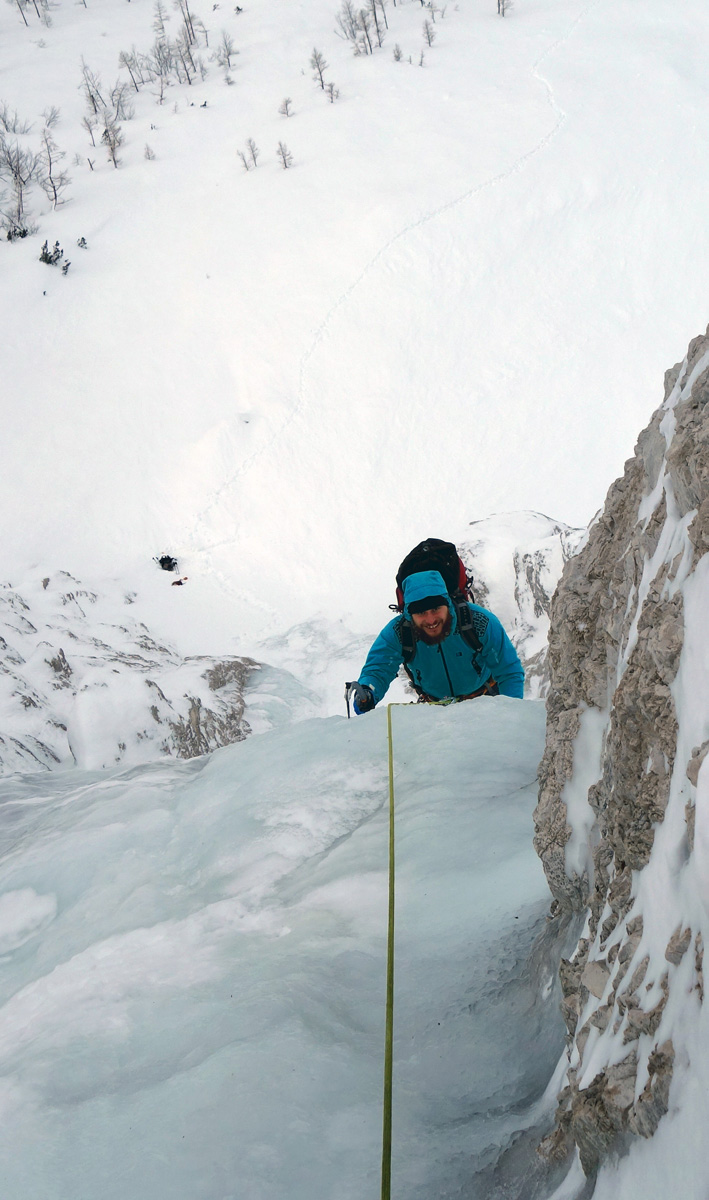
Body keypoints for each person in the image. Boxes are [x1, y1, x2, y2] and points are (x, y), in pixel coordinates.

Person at [348, 568, 524, 713]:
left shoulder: (478, 621)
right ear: (409, 614)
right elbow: (379, 669)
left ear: (447, 603)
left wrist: (510, 716)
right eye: (421, 613)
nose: (431, 620)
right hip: (435, 709)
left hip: (485, 700)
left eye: (435, 609)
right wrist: (368, 692)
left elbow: (509, 672)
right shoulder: (400, 632)